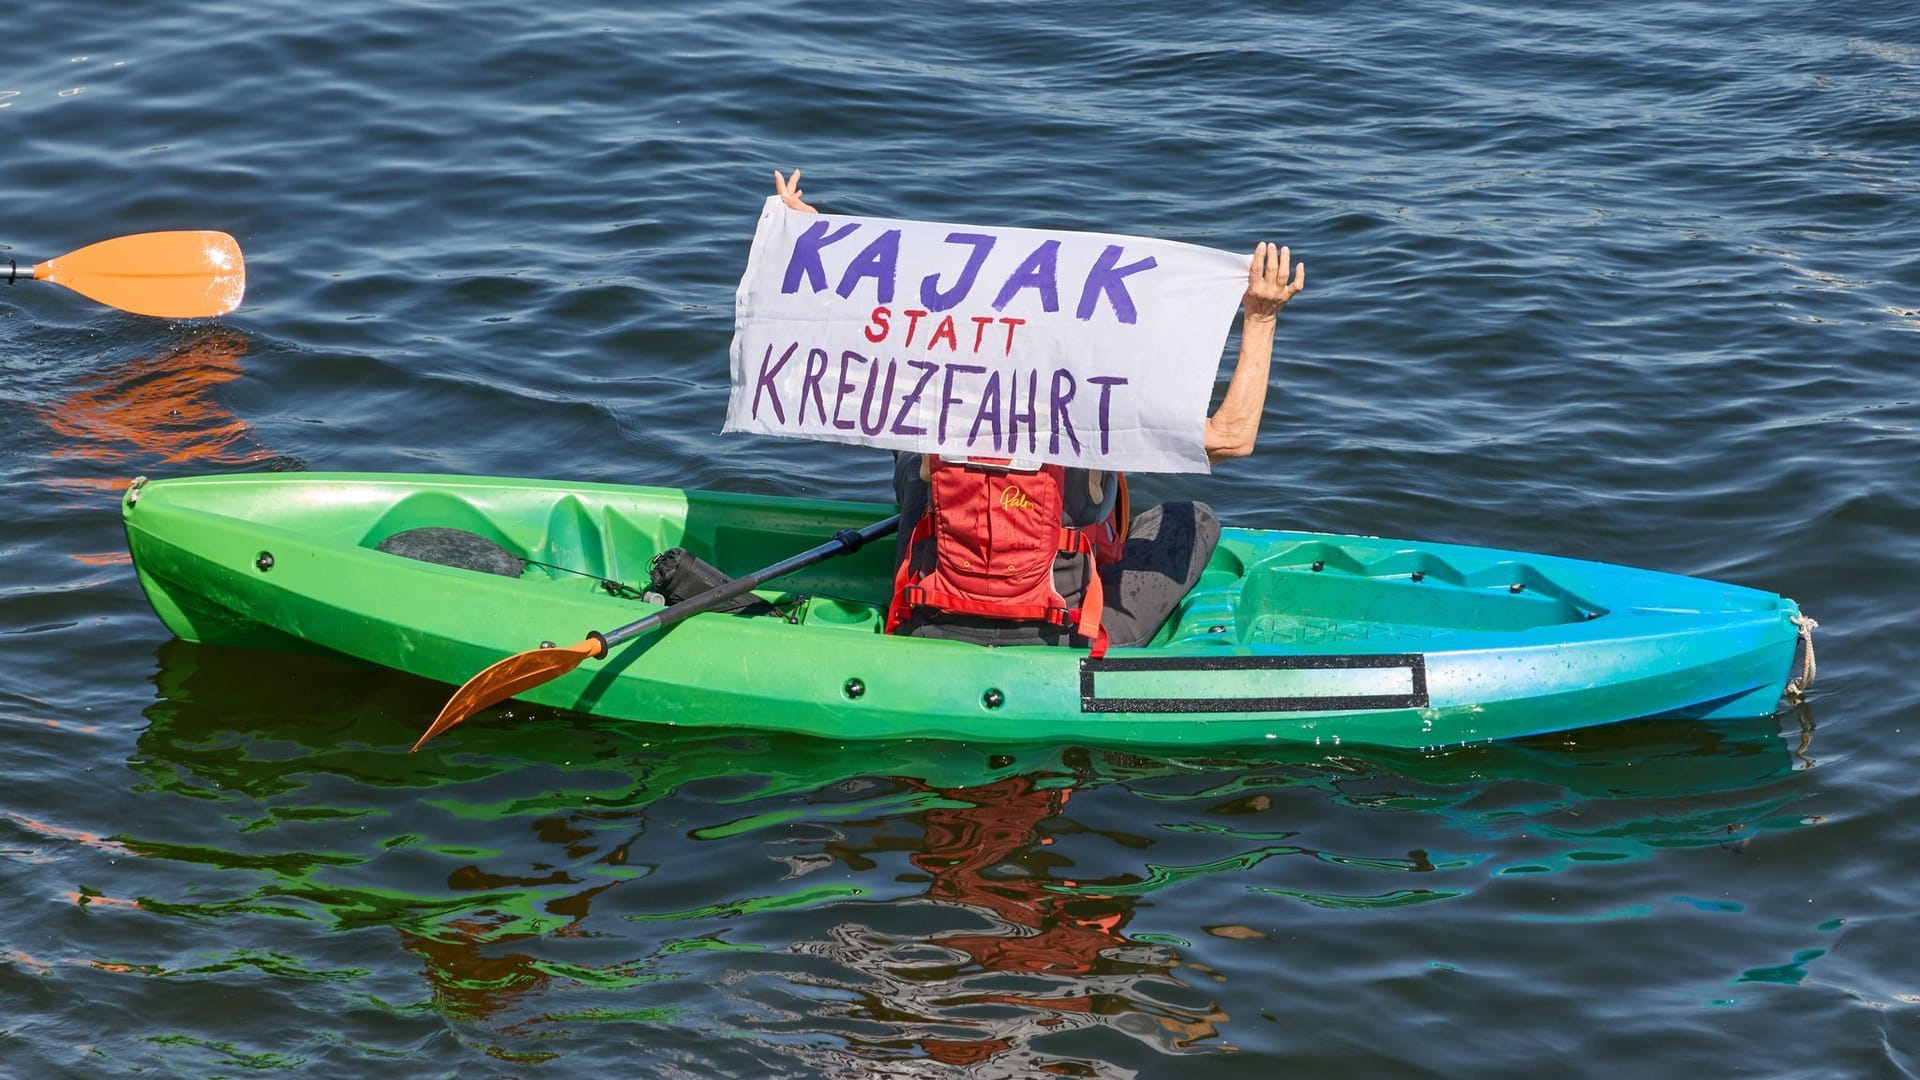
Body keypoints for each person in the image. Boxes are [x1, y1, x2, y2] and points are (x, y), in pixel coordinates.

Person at [772, 169, 1304, 649]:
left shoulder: (927, 393)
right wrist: (1260, 319)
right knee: (1192, 517)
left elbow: (855, 335)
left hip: (923, 619)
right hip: (1060, 634)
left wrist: (815, 239)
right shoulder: (1093, 412)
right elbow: (1233, 438)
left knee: (912, 464)